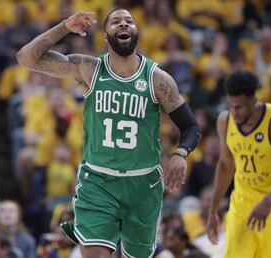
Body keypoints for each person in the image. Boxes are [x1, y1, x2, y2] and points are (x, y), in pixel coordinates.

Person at [16, 8, 201, 258]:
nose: (123, 24)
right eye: (116, 22)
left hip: (143, 185)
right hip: (98, 182)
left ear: (136, 32)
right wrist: (64, 27)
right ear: (105, 36)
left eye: (129, 21)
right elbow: (26, 58)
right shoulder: (89, 69)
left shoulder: (158, 80)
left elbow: (191, 127)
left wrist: (180, 153)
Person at [206, 71, 271, 258]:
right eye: (231, 106)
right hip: (242, 203)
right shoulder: (225, 121)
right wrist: (212, 211)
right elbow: (225, 165)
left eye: (240, 107)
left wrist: (268, 200)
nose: (234, 112)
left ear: (254, 100)